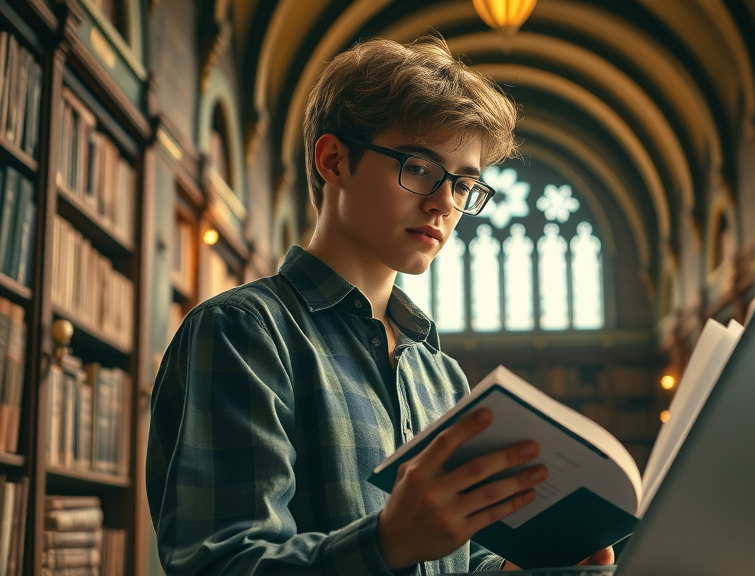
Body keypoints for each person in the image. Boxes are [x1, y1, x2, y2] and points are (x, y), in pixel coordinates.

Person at [146, 36, 614, 575]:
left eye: (465, 185)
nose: (444, 202)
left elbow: (455, 560)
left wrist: (517, 571)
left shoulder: (442, 375)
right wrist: (387, 544)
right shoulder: (243, 333)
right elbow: (220, 563)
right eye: (419, 168)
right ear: (333, 160)